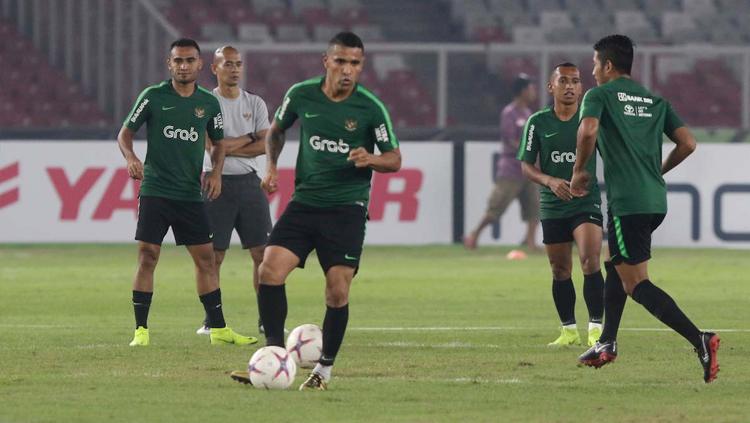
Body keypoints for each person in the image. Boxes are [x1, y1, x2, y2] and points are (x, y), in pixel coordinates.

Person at [229, 32, 401, 390]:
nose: (347, 70)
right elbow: (276, 131)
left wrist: (371, 158)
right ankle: (275, 355)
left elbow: (395, 159)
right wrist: (272, 167)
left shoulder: (370, 108)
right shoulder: (301, 94)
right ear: (326, 61)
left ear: (361, 66)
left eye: (354, 63)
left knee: (337, 291)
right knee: (269, 270)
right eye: (340, 61)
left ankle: (323, 371)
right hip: (305, 202)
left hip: (346, 209)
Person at [571, 34, 719, 383]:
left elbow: (588, 130)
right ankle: (606, 342)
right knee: (615, 264)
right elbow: (689, 143)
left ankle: (700, 339)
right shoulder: (655, 99)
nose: (592, 72)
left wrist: (579, 170)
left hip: (628, 203)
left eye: (594, 64)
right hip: (655, 200)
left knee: (636, 284)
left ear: (607, 65)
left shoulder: (599, 95)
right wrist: (658, 170)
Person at [117, 38, 256, 347]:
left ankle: (218, 329)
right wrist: (131, 157)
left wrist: (217, 172)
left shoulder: (208, 103)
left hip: (190, 194)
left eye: (189, 60)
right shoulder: (153, 97)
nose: (183, 65)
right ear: (170, 64)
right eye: (177, 60)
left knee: (206, 260)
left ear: (199, 65)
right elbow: (125, 133)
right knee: (148, 256)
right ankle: (141, 330)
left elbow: (218, 141)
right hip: (155, 190)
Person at [516, 63, 604, 347]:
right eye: (563, 81)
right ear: (550, 87)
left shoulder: (591, 121)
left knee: (590, 261)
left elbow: (613, 154)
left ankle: (596, 329)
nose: (570, 86)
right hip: (553, 204)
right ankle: (568, 330)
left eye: (576, 81)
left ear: (581, 88)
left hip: (585, 201)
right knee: (559, 270)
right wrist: (550, 181)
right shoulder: (538, 122)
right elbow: (527, 167)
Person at [195, 45, 273, 336]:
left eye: (238, 64)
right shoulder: (204, 102)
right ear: (214, 69)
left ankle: (266, 318)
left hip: (249, 184)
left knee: (263, 255)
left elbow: (265, 144)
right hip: (215, 183)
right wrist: (248, 138)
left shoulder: (255, 103)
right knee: (214, 257)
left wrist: (230, 145)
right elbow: (211, 145)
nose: (235, 69)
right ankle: (211, 320)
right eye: (228, 64)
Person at [464, 74, 540, 251]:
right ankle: (474, 235)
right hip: (511, 170)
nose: (533, 92)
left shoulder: (528, 114)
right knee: (496, 207)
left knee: (534, 207)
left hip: (528, 170)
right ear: (522, 91)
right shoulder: (509, 113)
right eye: (530, 88)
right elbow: (510, 139)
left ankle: (530, 242)